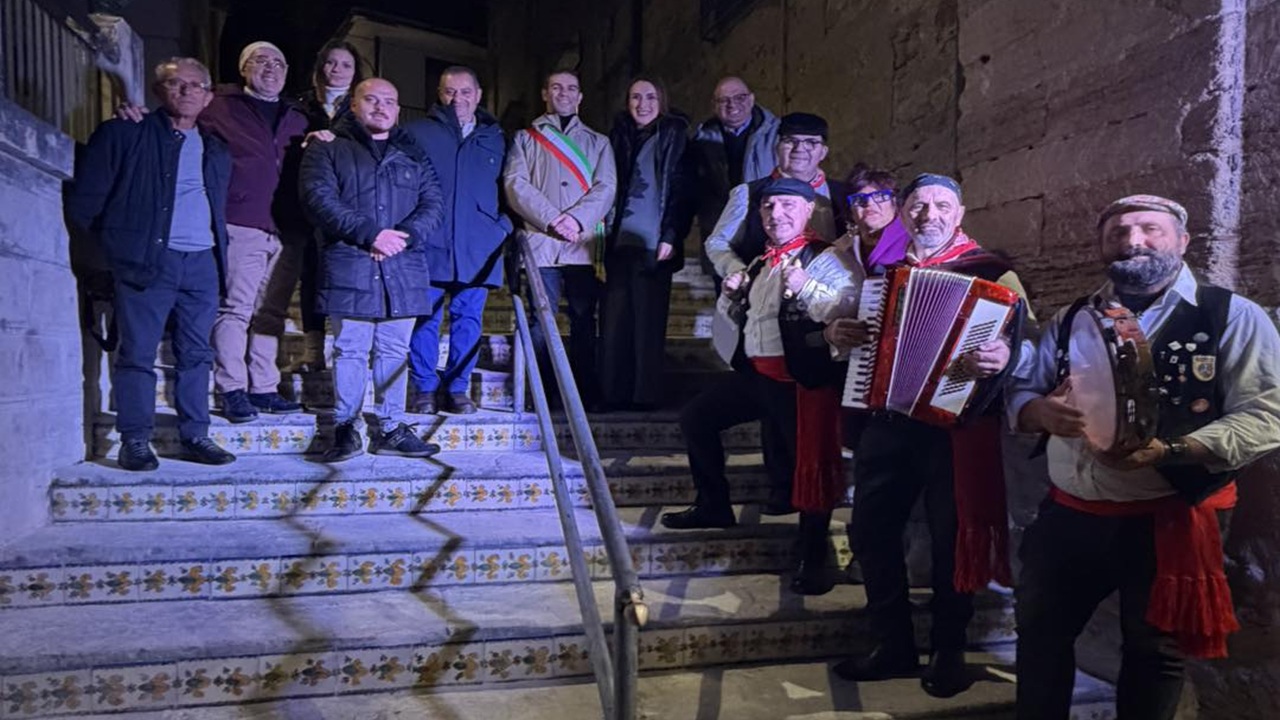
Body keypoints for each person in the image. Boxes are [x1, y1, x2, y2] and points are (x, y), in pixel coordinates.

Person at [1008, 194, 1280, 720]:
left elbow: (1267, 415)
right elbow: (1022, 391)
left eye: (1150, 229)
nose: (1133, 241)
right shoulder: (1071, 319)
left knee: (1154, 653)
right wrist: (1039, 411)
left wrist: (1173, 450)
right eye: (1118, 232)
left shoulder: (1232, 316)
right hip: (1069, 513)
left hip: (1166, 519)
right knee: (1040, 634)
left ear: (1182, 241)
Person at [829, 174, 1031, 699]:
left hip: (955, 433)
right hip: (888, 423)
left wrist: (1005, 358)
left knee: (950, 540)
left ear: (960, 213)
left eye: (941, 204)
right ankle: (892, 643)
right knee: (871, 534)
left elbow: (1027, 351)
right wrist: (837, 336)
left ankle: (949, 650)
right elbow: (854, 337)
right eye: (918, 205)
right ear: (903, 213)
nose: (928, 215)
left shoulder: (996, 274)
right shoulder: (886, 276)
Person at [115, 41, 310, 423]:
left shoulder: (298, 116)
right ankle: (232, 386)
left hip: (285, 227)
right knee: (235, 309)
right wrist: (137, 116)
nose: (270, 68)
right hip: (239, 221)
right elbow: (177, 122)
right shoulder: (219, 104)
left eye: (278, 62)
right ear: (243, 68)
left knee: (269, 313)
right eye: (260, 61)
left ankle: (265, 387)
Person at [66, 57, 237, 470]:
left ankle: (196, 434)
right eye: (175, 84)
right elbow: (85, 205)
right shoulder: (125, 134)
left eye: (196, 85)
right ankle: (135, 439)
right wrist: (115, 256)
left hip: (203, 263)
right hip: (147, 261)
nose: (186, 91)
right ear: (159, 91)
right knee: (138, 352)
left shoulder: (216, 150)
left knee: (197, 353)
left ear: (208, 95)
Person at [662, 178, 854, 541]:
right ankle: (713, 505)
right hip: (758, 376)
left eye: (787, 205)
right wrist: (731, 297)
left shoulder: (827, 258)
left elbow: (845, 307)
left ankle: (813, 557)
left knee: (808, 466)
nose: (775, 214)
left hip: (799, 381)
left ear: (808, 210)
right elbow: (746, 320)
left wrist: (805, 285)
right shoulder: (760, 262)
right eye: (768, 206)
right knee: (696, 418)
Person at [299, 78, 445, 462]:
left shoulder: (414, 153)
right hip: (351, 261)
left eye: (390, 102)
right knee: (350, 348)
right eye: (372, 100)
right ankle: (347, 428)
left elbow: (433, 202)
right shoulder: (328, 148)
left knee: (395, 349)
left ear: (399, 110)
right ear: (354, 104)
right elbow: (318, 198)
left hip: (403, 262)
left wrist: (404, 236)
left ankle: (392, 428)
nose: (381, 107)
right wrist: (370, 234)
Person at [503, 69, 617, 406]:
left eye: (571, 88)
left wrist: (576, 221)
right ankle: (544, 391)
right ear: (545, 94)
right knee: (542, 318)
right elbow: (515, 183)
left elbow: (606, 187)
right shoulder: (525, 139)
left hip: (581, 244)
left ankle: (585, 389)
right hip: (542, 242)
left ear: (580, 97)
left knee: (584, 319)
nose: (563, 93)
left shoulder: (599, 142)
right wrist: (553, 219)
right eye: (556, 87)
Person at [405, 65, 513, 415]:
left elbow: (512, 186)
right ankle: (423, 387)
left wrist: (503, 226)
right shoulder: (416, 132)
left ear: (479, 95)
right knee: (426, 317)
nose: (458, 99)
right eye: (451, 92)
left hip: (479, 245)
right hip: (429, 241)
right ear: (440, 94)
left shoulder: (496, 137)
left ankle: (458, 387)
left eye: (466, 92)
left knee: (468, 319)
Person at [599, 77, 694, 411]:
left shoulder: (674, 133)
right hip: (618, 240)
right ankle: (613, 394)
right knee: (615, 323)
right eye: (635, 97)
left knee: (648, 324)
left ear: (662, 100)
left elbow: (682, 190)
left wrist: (671, 235)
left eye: (650, 96)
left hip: (654, 242)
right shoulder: (618, 134)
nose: (643, 104)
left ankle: (645, 396)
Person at [284, 40, 367, 374]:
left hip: (349, 207)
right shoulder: (300, 107)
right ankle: (313, 350)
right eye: (331, 63)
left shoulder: (363, 107)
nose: (337, 70)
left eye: (346, 65)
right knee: (310, 274)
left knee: (345, 277)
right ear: (321, 68)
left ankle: (351, 352)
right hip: (305, 204)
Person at [704, 112, 847, 281]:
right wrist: (742, 272)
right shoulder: (748, 193)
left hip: (827, 295)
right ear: (777, 147)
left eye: (811, 142)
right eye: (790, 141)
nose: (799, 149)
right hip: (765, 294)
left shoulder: (843, 195)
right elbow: (718, 243)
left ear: (823, 152)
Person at [691, 77, 780, 289]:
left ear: (751, 99)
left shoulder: (776, 134)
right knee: (726, 302)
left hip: (763, 231)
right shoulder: (701, 139)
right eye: (724, 100)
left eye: (739, 97)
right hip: (722, 233)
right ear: (714, 106)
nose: (732, 105)